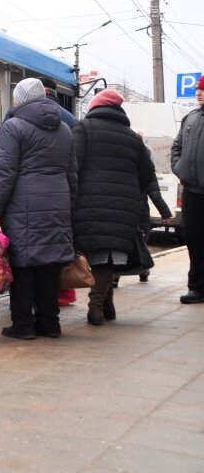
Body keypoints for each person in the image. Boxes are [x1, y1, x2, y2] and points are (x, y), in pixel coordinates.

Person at [0, 78, 76, 340]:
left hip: (21, 203)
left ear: (20, 99)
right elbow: (73, 174)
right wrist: (70, 204)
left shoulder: (13, 127)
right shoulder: (64, 129)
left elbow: (4, 171)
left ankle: (23, 324)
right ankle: (50, 323)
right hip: (57, 204)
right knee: (49, 264)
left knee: (22, 264)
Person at [71, 89, 155, 326]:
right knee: (108, 256)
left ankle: (95, 306)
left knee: (96, 255)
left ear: (95, 107)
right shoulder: (131, 137)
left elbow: (73, 164)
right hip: (123, 205)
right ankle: (105, 305)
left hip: (88, 201)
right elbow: (146, 173)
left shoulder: (83, 128)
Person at [39, 77, 79, 308]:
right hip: (61, 192)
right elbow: (75, 163)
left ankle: (37, 300)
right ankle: (64, 293)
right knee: (58, 243)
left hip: (27, 193)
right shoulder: (71, 120)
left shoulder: (18, 116)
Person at [171, 74, 204, 304]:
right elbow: (177, 147)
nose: (199, 93)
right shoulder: (190, 118)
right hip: (193, 191)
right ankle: (197, 287)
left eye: (203, 90)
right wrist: (180, 169)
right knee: (193, 239)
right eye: (199, 90)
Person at [132, 129, 173, 283]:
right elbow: (154, 193)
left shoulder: (122, 165)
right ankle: (143, 270)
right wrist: (166, 214)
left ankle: (115, 277)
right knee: (141, 241)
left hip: (124, 210)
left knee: (121, 242)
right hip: (141, 212)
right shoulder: (147, 167)